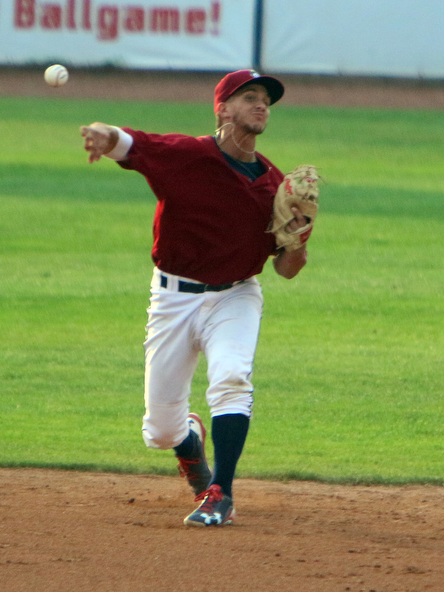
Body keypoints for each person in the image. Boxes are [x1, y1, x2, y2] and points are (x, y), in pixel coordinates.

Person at [80, 69, 310, 527]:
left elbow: (286, 269)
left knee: (231, 377)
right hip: (173, 299)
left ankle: (219, 493)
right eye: (250, 97)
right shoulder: (187, 155)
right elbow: (130, 143)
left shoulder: (276, 187)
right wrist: (104, 135)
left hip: (236, 297)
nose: (261, 105)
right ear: (222, 108)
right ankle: (190, 442)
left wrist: (298, 240)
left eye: (266, 99)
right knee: (161, 430)